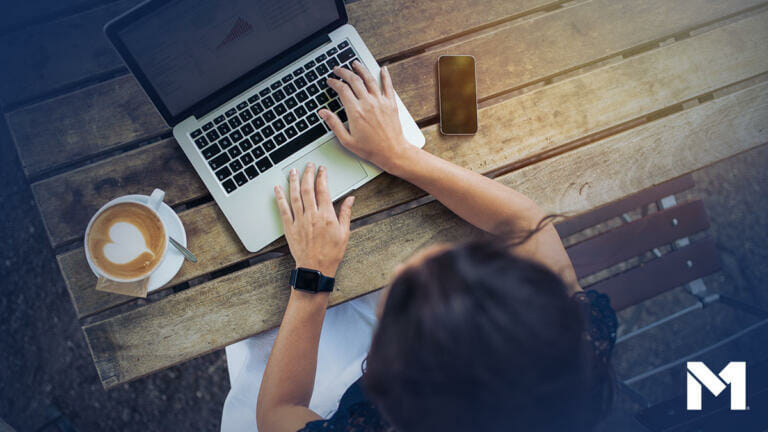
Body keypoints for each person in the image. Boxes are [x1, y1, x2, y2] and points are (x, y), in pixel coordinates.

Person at [228, 62, 617, 432]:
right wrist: (401, 155)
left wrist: (313, 274)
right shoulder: (574, 349)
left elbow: (278, 413)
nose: (405, 266)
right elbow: (527, 224)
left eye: (403, 299)